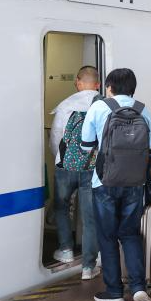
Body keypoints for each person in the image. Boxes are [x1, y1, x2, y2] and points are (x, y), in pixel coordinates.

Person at [80, 68, 151, 301]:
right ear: (133, 89)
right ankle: (138, 288)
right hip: (135, 184)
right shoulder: (143, 110)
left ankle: (114, 291)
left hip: (104, 183)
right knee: (130, 234)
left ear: (109, 87)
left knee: (107, 236)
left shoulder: (98, 107)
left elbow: (85, 146)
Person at [49, 65, 102, 278]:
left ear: (78, 82)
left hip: (66, 167)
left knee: (61, 206)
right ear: (97, 84)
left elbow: (56, 137)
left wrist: (60, 159)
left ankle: (66, 250)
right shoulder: (102, 105)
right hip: (92, 168)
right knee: (89, 217)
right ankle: (88, 266)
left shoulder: (65, 106)